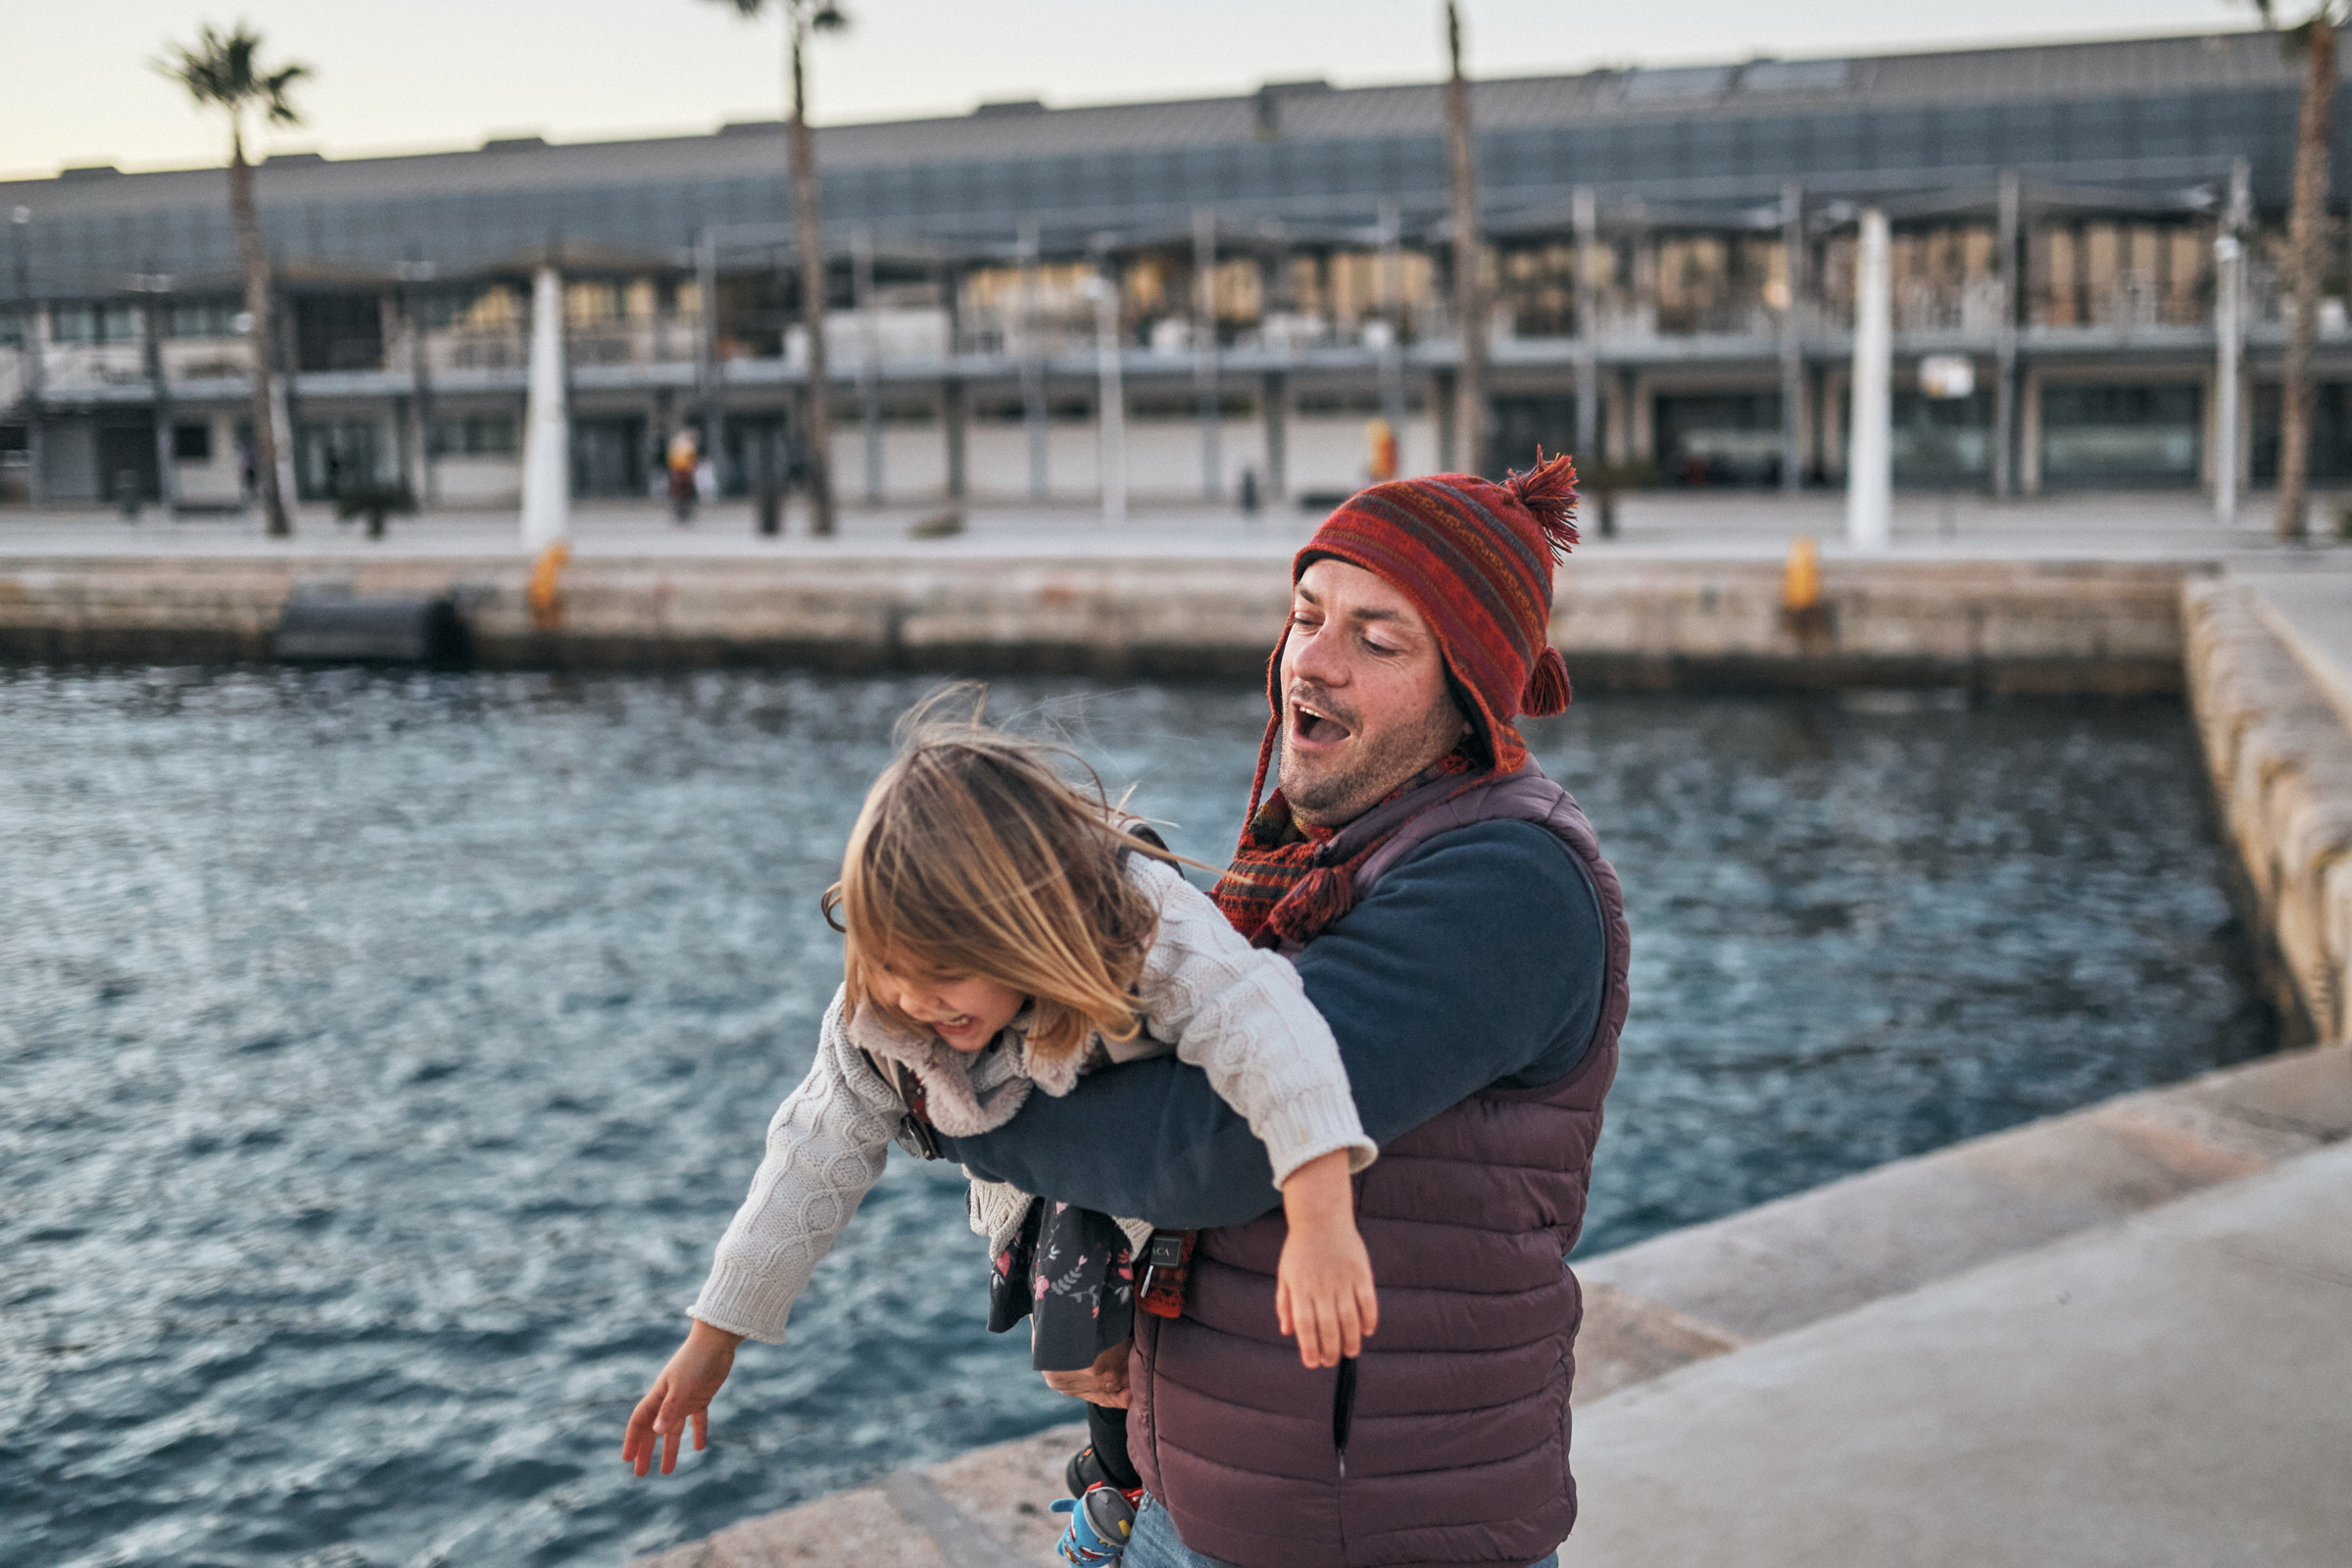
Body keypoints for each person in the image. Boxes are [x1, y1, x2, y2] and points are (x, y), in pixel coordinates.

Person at [941, 453, 1630, 1568]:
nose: (1313, 659)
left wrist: (951, 1108)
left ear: (1468, 691)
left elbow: (1222, 1138)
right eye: (1308, 615)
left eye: (1377, 638)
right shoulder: (1307, 857)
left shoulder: (1510, 886)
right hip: (1187, 1506)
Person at [620, 702, 1384, 1563]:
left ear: (1024, 937)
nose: (915, 1002)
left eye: (944, 980)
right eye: (893, 973)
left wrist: (1321, 1215)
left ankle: (1120, 1485)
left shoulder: (1138, 923)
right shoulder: (884, 1007)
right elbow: (812, 1155)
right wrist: (713, 1336)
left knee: (1141, 1361)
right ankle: (1111, 1484)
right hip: (1048, 1184)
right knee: (1083, 1353)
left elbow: (1267, 1025)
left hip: (1171, 1155)